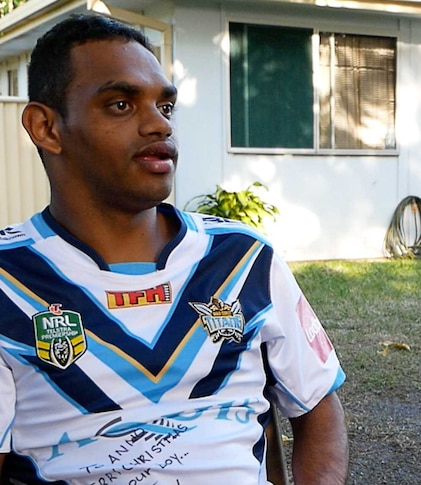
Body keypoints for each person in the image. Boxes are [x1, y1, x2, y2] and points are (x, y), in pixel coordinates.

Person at [0, 13, 348, 484]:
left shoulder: (243, 261)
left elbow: (318, 409)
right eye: (121, 104)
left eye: (165, 107)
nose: (157, 125)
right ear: (46, 127)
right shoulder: (10, 278)